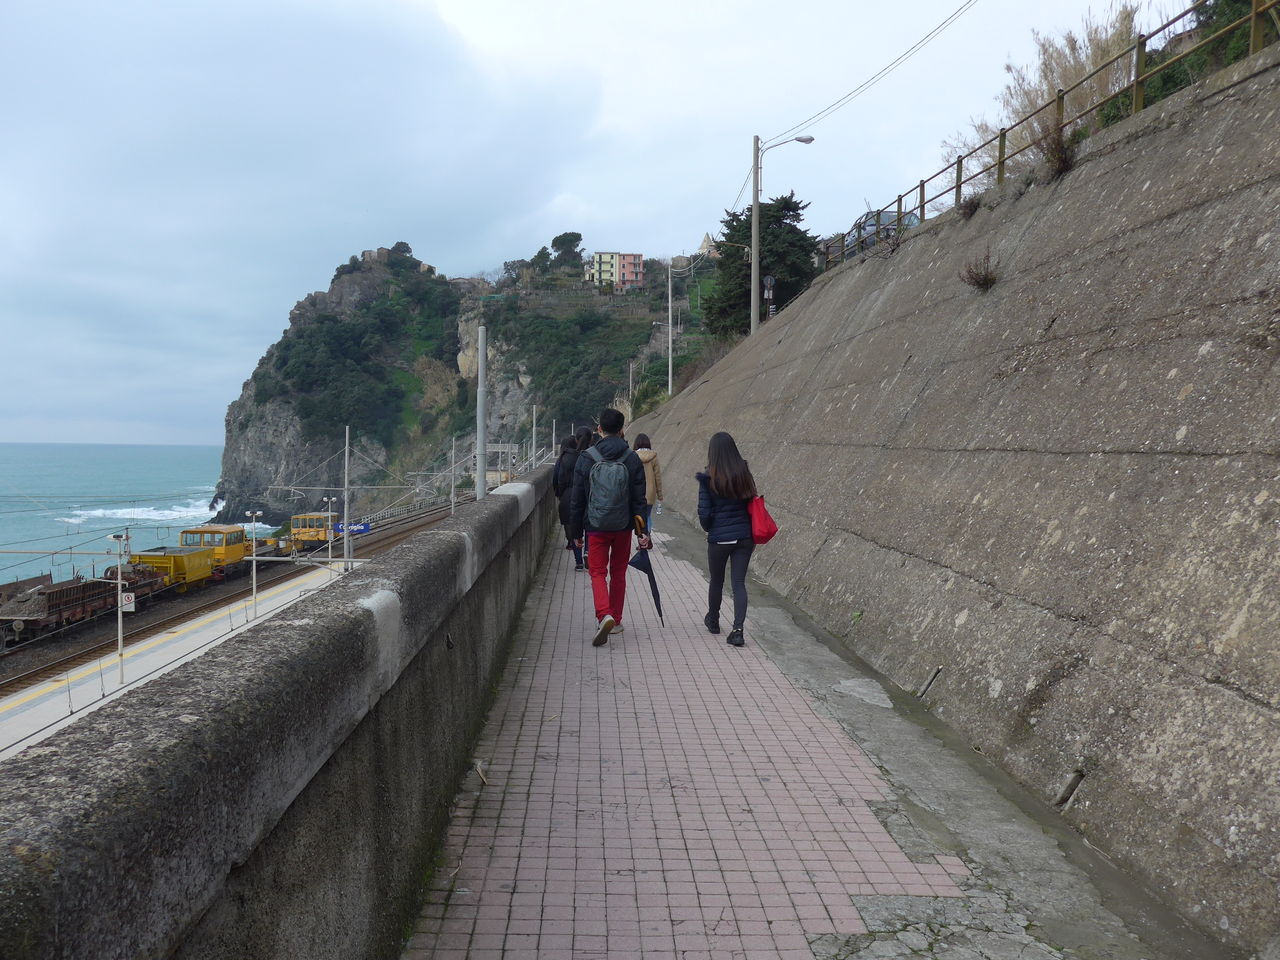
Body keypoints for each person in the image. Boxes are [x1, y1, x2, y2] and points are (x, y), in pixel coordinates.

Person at [569, 408, 650, 646]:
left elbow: (577, 500)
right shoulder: (631, 458)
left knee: (597, 572)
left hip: (595, 526)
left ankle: (603, 615)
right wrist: (642, 532)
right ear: (622, 429)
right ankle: (616, 619)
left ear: (599, 429)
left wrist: (576, 533)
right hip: (623, 526)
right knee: (618, 572)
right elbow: (639, 499)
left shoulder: (587, 457)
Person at [697, 431, 757, 648]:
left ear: (713, 452)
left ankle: (713, 620)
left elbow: (704, 513)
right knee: (739, 583)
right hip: (744, 536)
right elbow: (751, 501)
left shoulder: (708, 477)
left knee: (717, 580)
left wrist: (711, 528)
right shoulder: (744, 473)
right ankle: (738, 631)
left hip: (720, 538)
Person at [552, 436, 583, 570]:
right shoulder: (582, 457)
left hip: (567, 495)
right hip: (581, 494)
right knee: (584, 527)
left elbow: (557, 479)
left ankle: (579, 561)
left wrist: (560, 494)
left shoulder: (561, 460)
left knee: (571, 526)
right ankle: (587, 552)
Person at [633, 433, 663, 535]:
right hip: (650, 493)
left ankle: (641, 537)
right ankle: (648, 536)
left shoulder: (633, 456)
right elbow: (657, 477)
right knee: (648, 516)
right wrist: (660, 495)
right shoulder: (653, 457)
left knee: (638, 516)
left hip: (637, 492)